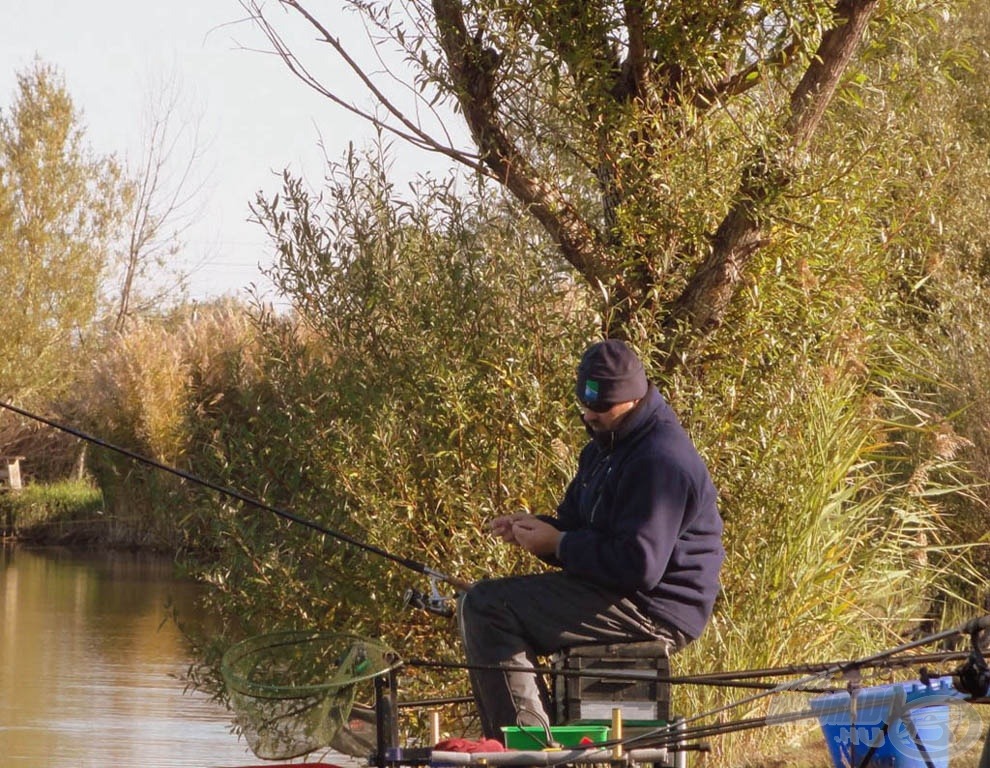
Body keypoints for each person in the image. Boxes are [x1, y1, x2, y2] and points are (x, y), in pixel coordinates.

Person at [458, 339, 725, 741]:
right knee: (478, 603)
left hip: (660, 605)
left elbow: (640, 565)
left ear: (632, 399)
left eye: (600, 408)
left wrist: (559, 544)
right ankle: (532, 738)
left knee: (488, 608)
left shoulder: (660, 460)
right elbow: (573, 524)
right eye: (583, 405)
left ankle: (527, 751)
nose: (589, 415)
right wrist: (533, 529)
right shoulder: (603, 448)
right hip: (619, 588)